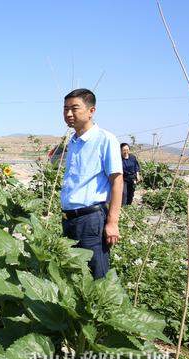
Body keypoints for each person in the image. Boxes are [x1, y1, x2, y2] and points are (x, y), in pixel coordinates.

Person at [60, 88, 123, 279]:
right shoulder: (74, 141)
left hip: (91, 219)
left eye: (74, 108)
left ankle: (107, 310)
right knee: (73, 275)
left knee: (97, 277)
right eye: (65, 109)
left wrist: (112, 222)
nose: (69, 114)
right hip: (69, 218)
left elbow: (117, 181)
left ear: (91, 111)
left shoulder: (105, 139)